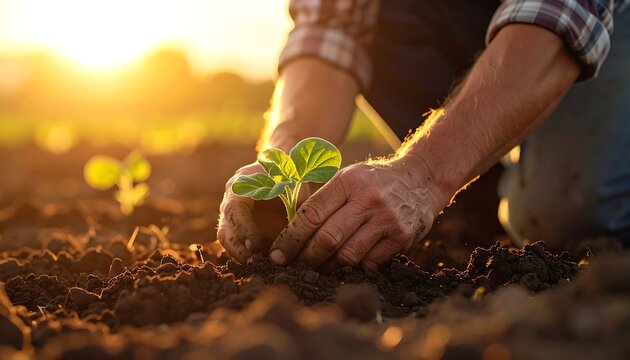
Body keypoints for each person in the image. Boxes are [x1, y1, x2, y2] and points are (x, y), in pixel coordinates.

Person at [218, 0, 630, 270]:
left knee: (569, 220)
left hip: (604, 23)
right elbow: (329, 30)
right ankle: (478, 197)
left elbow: (559, 17)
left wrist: (423, 176)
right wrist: (283, 162)